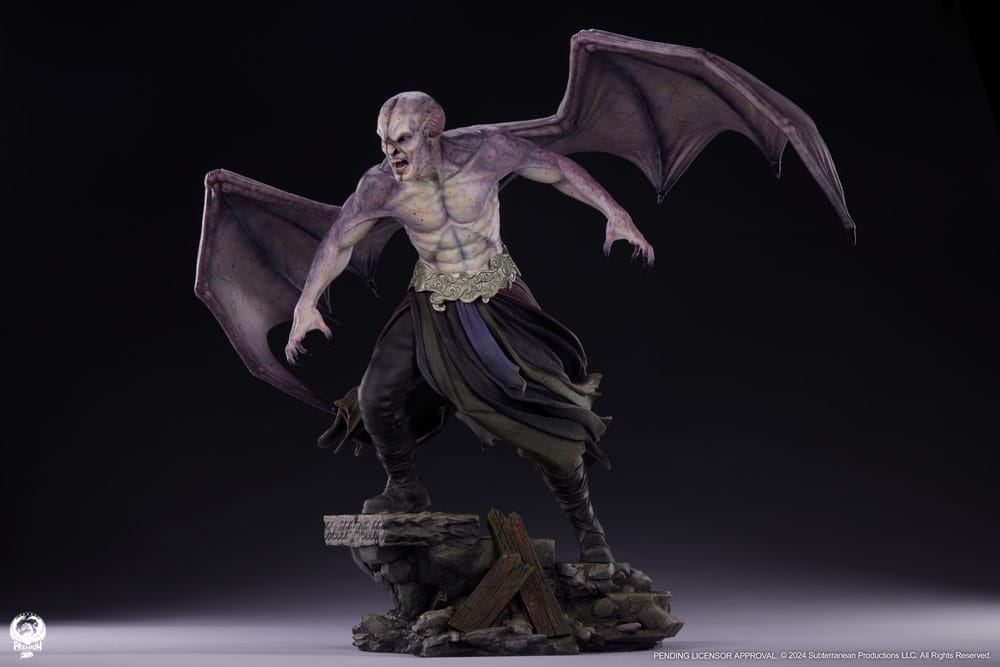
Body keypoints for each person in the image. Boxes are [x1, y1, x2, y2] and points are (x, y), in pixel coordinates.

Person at [285, 92, 654, 563]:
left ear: (432, 135)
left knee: (546, 409)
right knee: (375, 397)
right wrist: (306, 303)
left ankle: (589, 531)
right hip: (432, 297)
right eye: (382, 142)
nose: (390, 154)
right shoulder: (379, 186)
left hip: (496, 292)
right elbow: (339, 240)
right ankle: (405, 488)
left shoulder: (488, 150)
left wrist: (615, 212)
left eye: (401, 141)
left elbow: (559, 170)